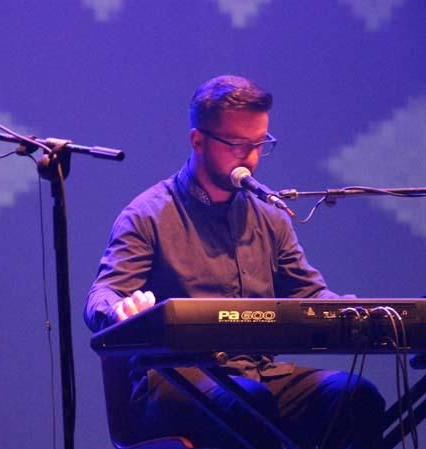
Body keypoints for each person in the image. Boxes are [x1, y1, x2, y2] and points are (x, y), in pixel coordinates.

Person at [85, 75, 386, 448]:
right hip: (174, 380)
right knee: (247, 404)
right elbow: (103, 293)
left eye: (260, 143)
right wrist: (118, 310)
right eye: (238, 145)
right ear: (198, 140)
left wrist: (367, 314)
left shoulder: (269, 216)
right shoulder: (148, 214)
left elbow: (309, 295)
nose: (252, 158)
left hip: (259, 373)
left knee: (354, 397)